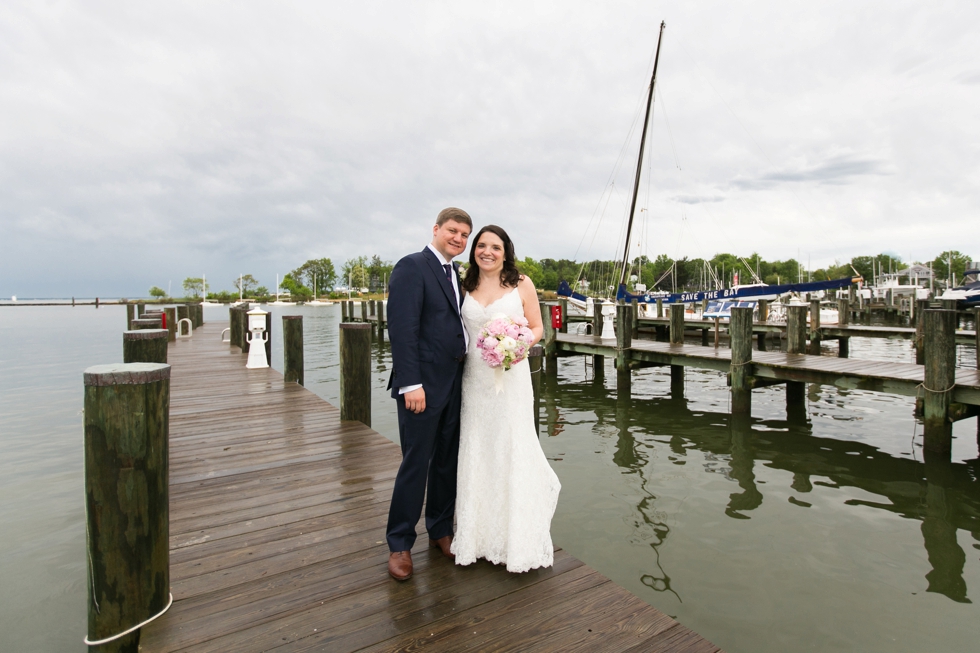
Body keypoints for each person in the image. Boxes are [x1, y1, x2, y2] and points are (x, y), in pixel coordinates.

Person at [451, 224, 561, 572]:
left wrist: (516, 345)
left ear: (505, 251)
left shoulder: (521, 283)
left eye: (495, 247)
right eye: (481, 246)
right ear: (474, 251)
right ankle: (476, 535)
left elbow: (538, 326)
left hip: (511, 378)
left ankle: (517, 538)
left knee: (512, 446)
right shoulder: (464, 283)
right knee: (478, 447)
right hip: (475, 380)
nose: (487, 252)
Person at [384, 207, 472, 581]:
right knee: (416, 464)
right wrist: (410, 383)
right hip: (421, 387)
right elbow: (402, 329)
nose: (459, 239)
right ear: (436, 229)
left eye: (465, 235)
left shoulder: (455, 274)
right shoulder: (411, 266)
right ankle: (400, 543)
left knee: (446, 462)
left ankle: (440, 529)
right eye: (453, 231)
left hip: (455, 384)